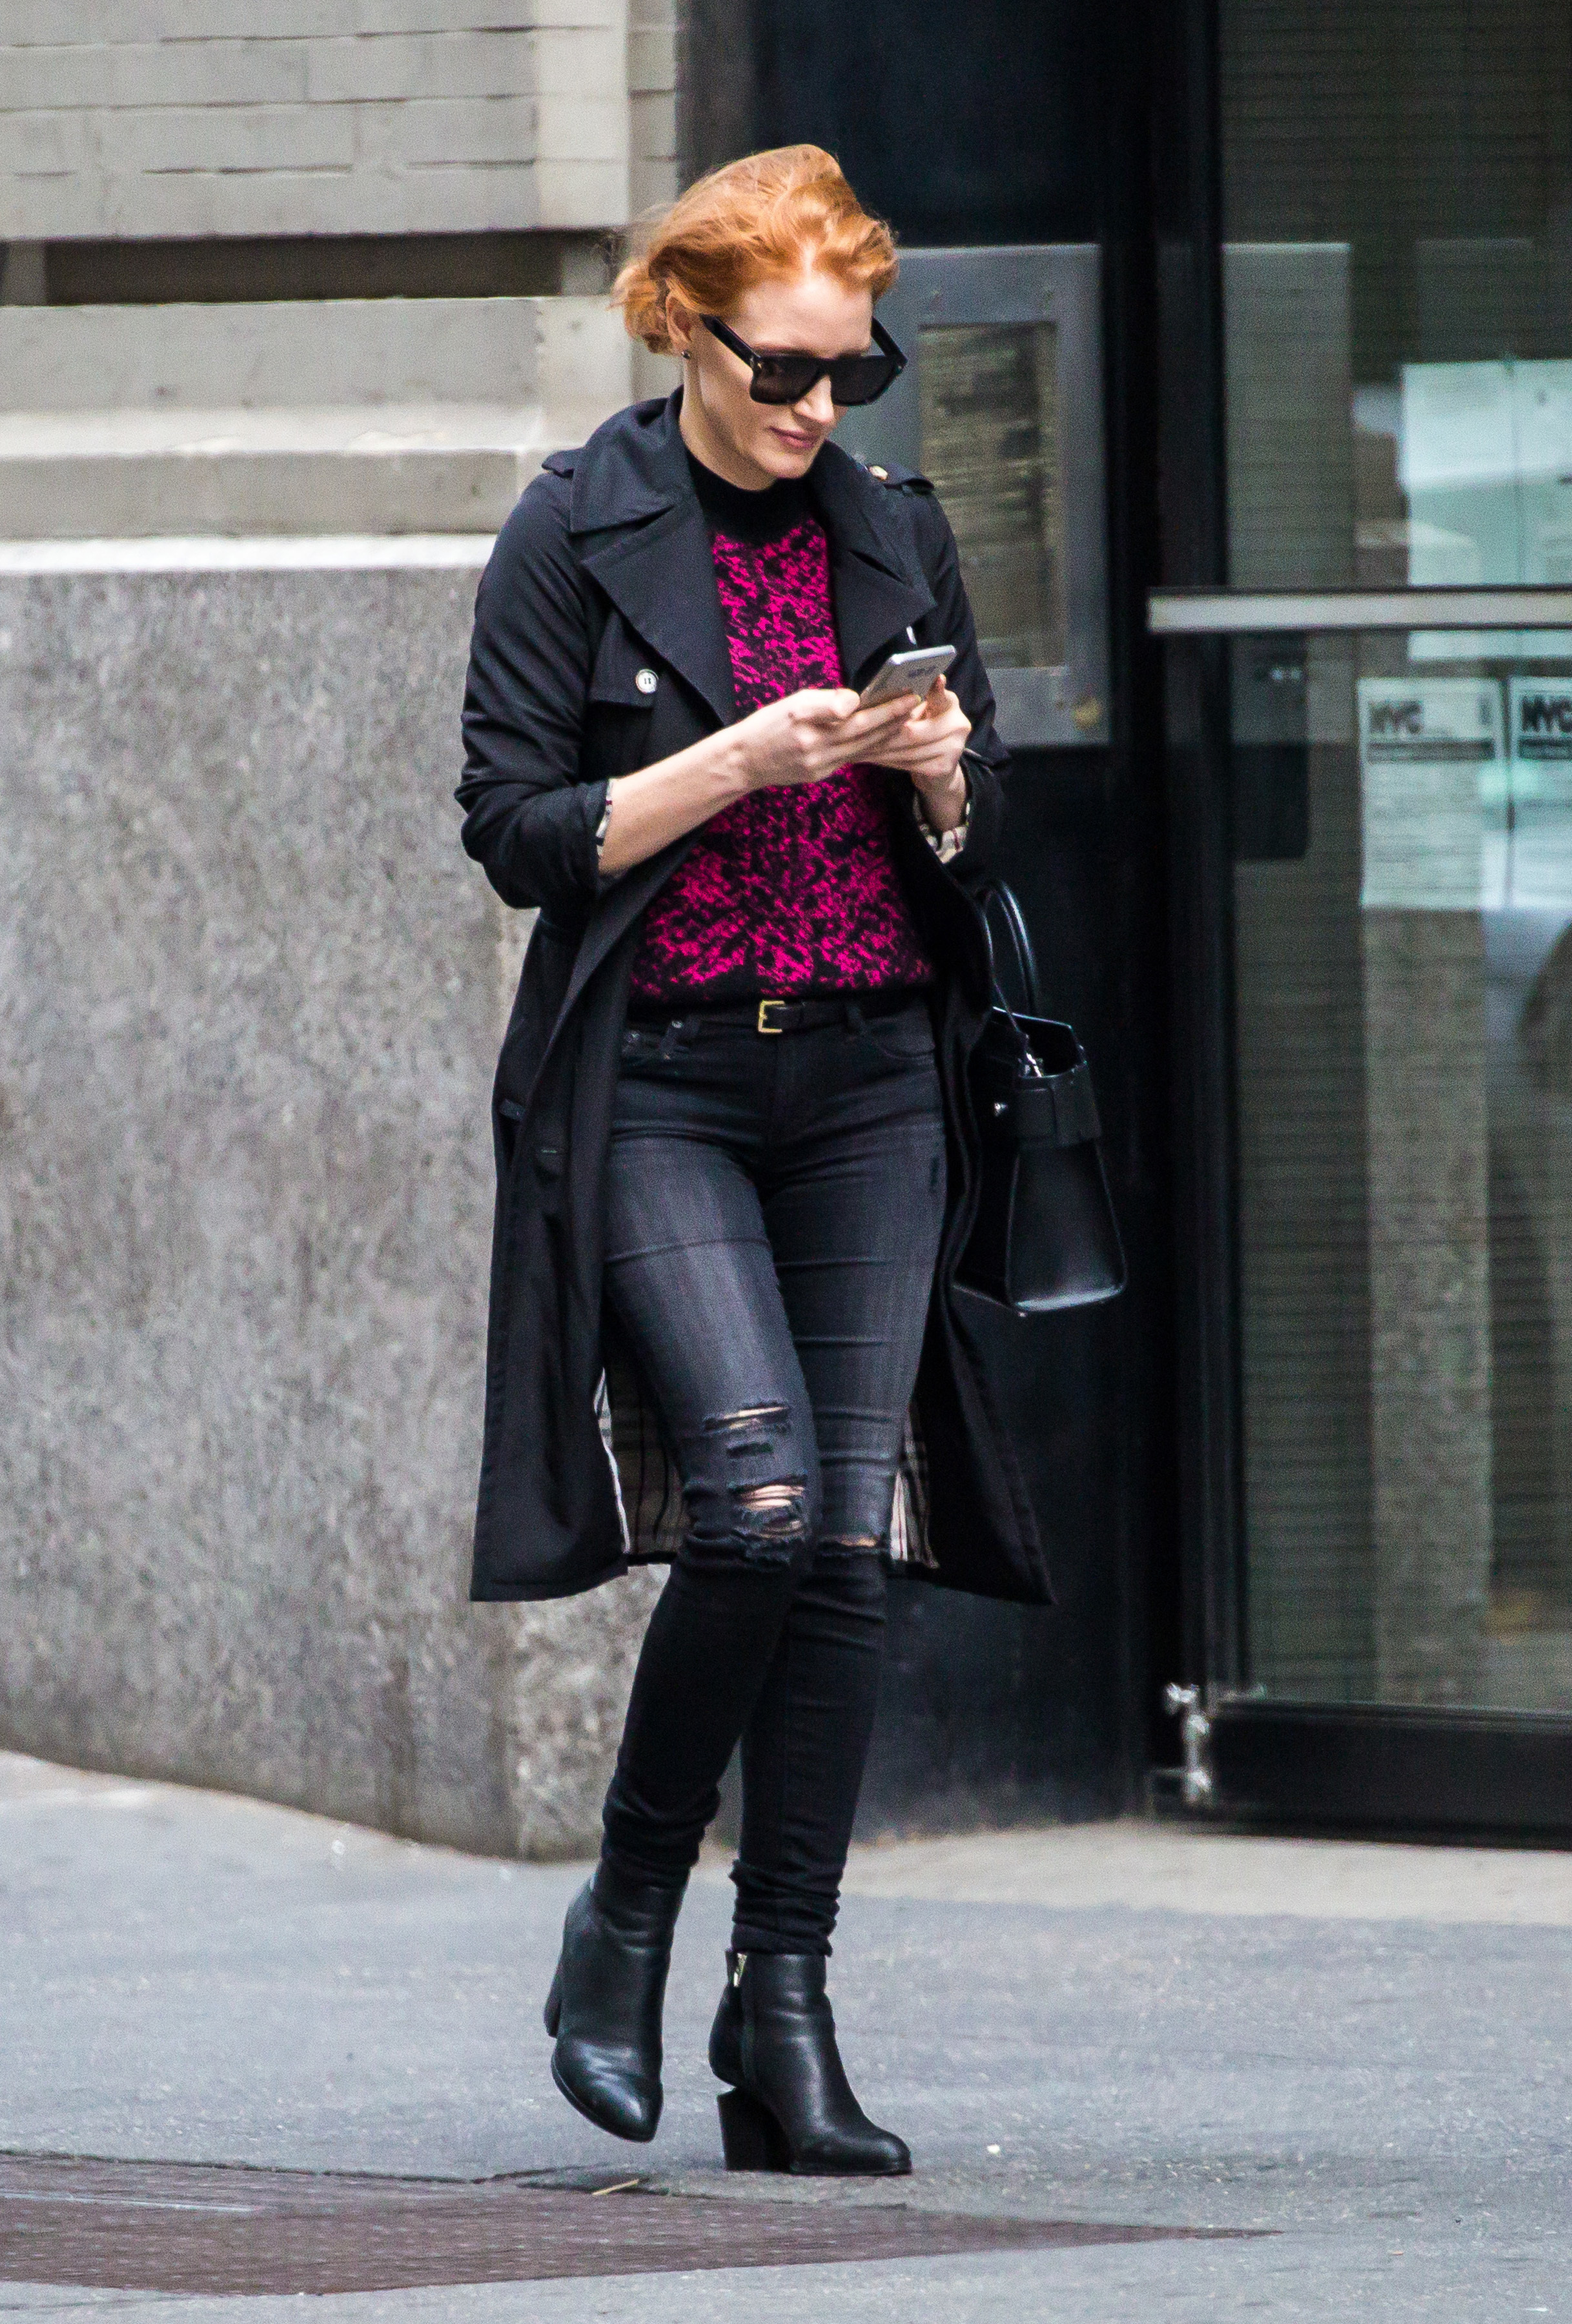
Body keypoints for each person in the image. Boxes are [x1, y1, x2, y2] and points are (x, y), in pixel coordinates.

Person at [456, 143, 1050, 2177]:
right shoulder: (574, 528)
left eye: (848, 372)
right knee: (759, 1506)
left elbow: (981, 835)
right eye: (781, 369)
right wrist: (728, 762)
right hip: (664, 1088)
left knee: (849, 1551)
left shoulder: (894, 528)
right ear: (680, 329)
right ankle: (626, 1907)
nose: (815, 407)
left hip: (875, 1084)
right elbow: (515, 834)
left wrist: (943, 773)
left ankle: (779, 2006)